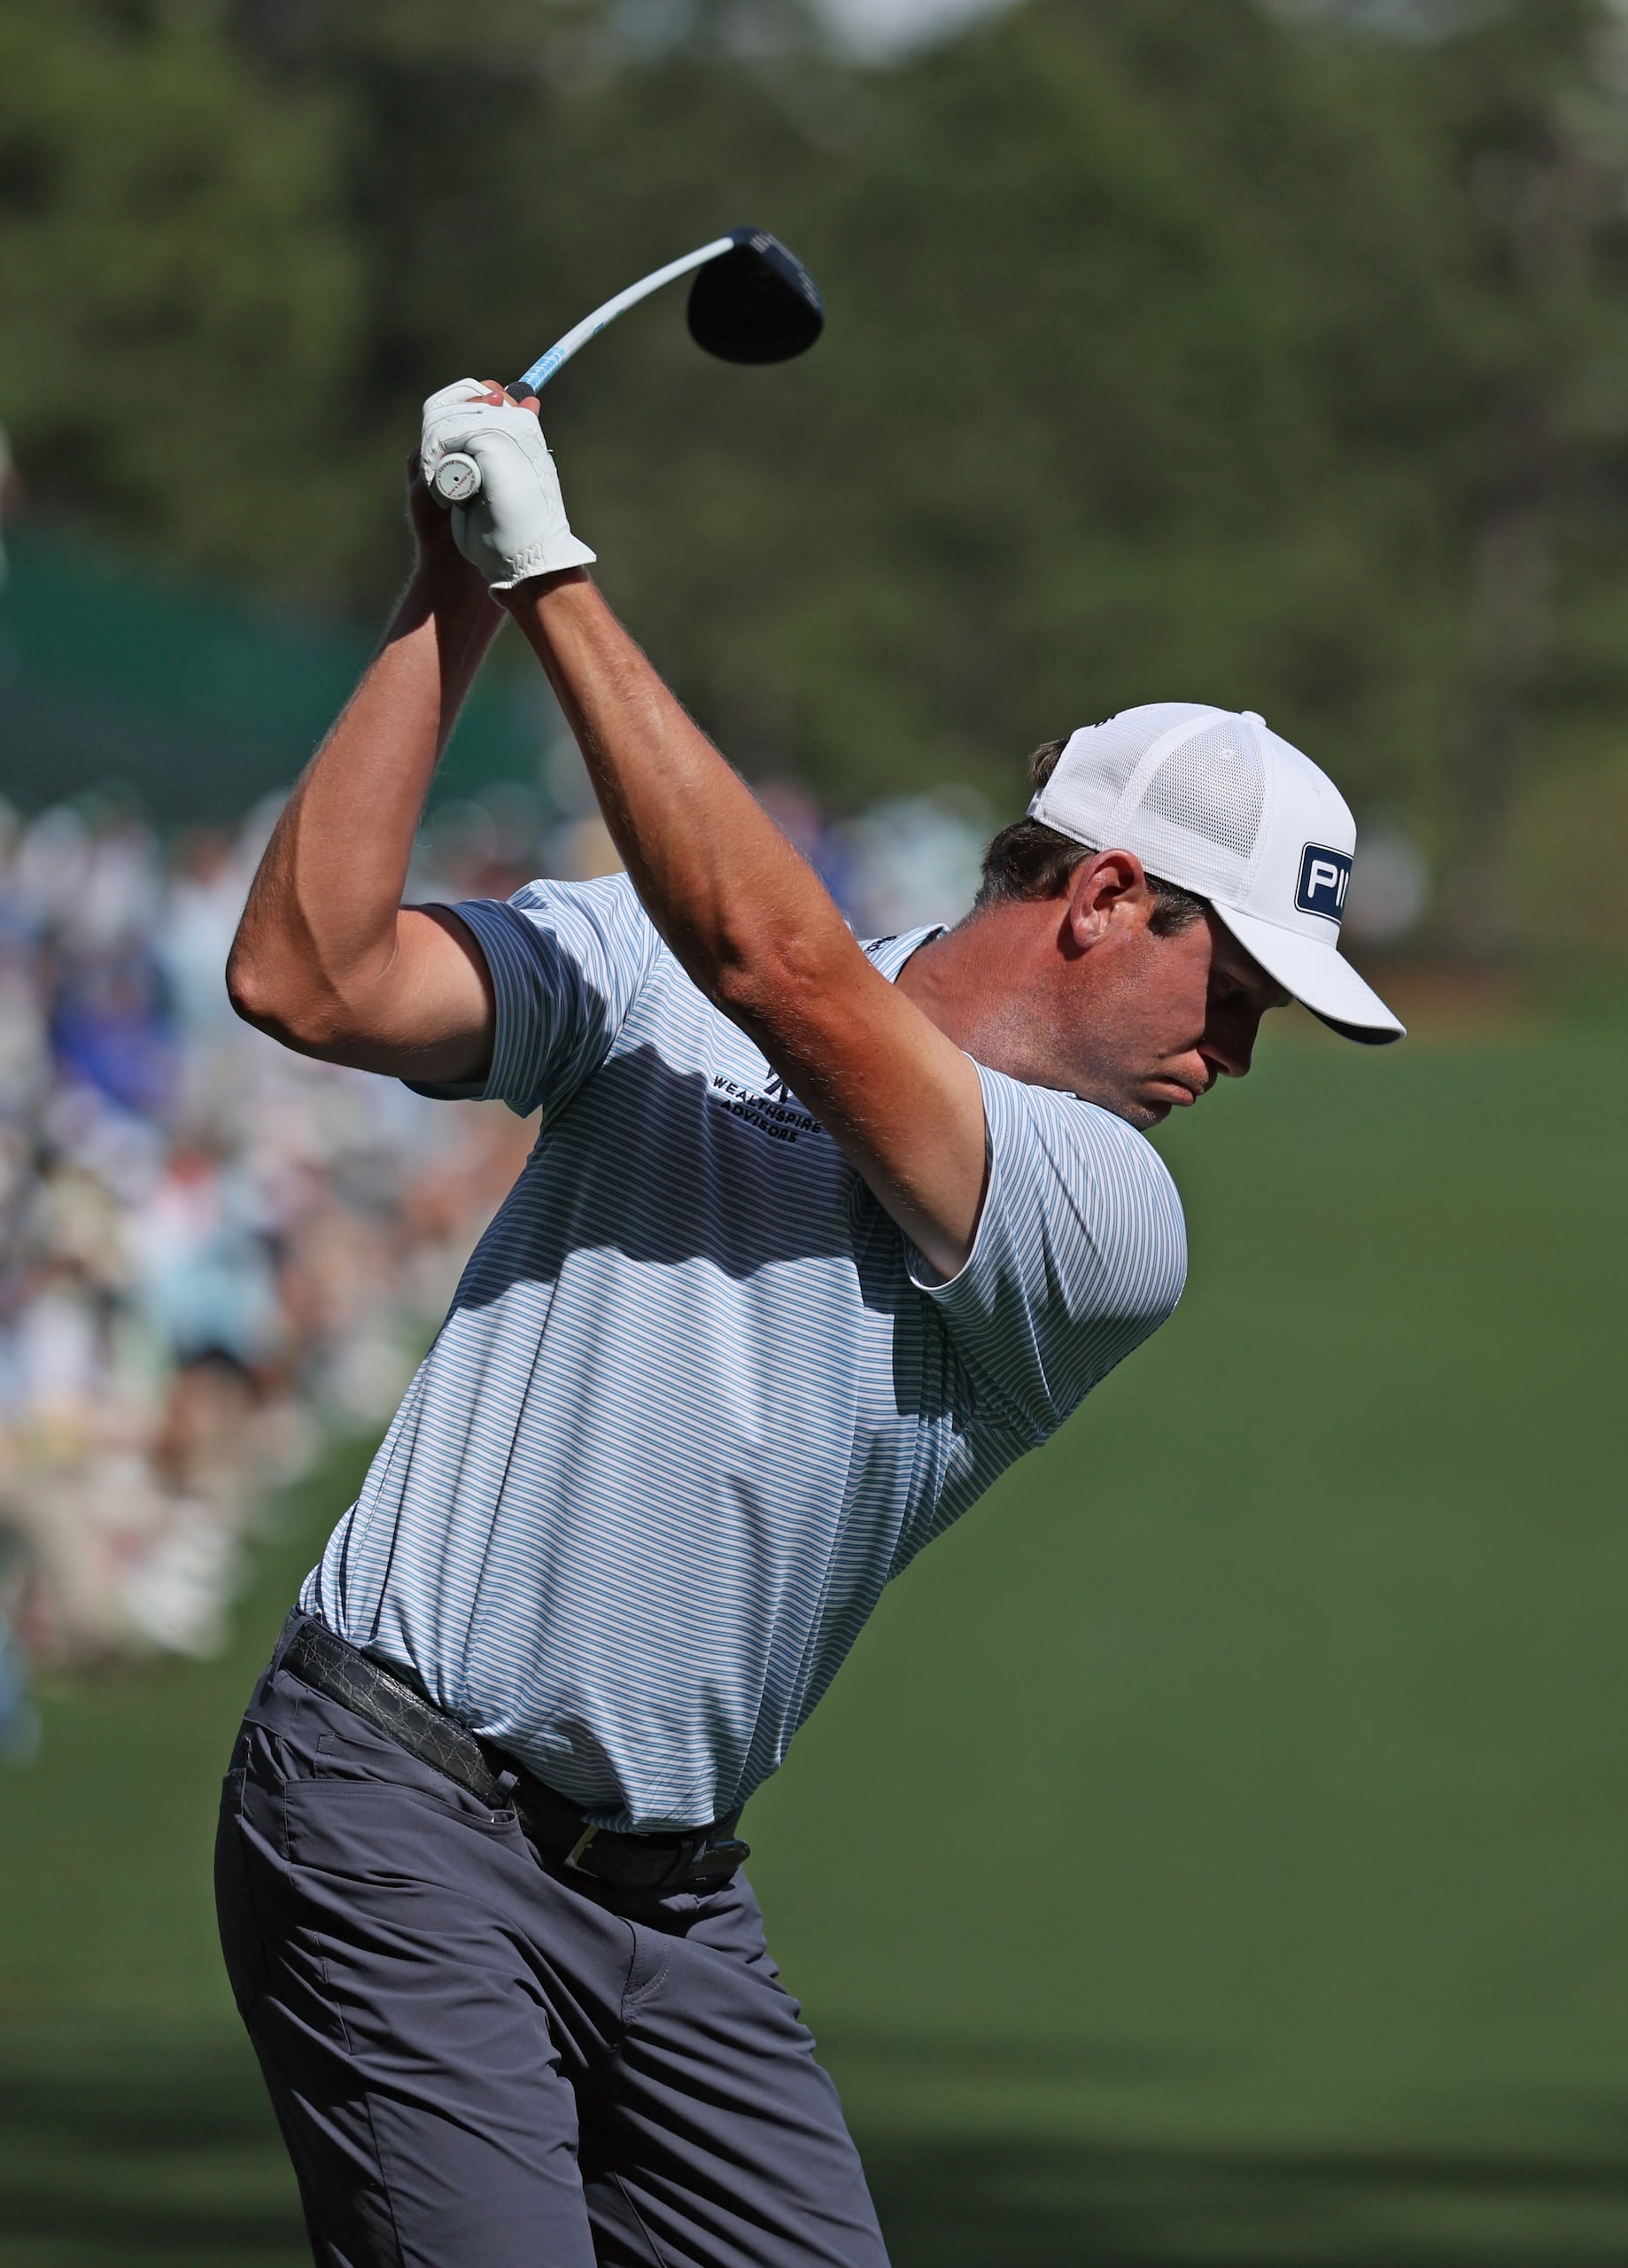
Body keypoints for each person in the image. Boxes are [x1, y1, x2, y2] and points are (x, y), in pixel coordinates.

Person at [212, 380, 1402, 2267]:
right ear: (1105, 893)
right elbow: (307, 970)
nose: (1234, 1055)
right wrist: (450, 590)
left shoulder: (1109, 1222)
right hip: (398, 1806)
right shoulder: (635, 963)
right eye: (1235, 986)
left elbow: (785, 971)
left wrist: (556, 574)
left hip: (671, 1909)